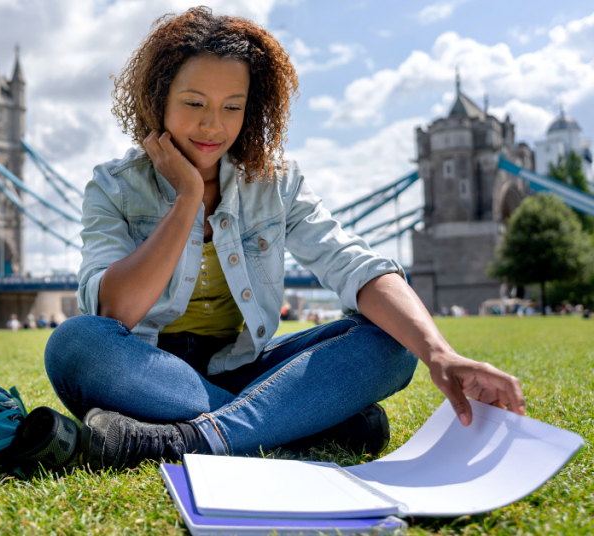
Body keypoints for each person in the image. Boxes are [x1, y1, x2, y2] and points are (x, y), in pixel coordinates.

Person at [44, 8, 526, 471]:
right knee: (74, 344)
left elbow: (352, 263)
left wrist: (440, 353)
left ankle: (191, 439)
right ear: (159, 98)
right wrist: (187, 198)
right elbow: (116, 311)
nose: (214, 126)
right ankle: (303, 423)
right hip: (147, 371)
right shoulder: (112, 186)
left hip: (248, 370)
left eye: (232, 107)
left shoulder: (278, 182)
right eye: (194, 104)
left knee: (395, 343)